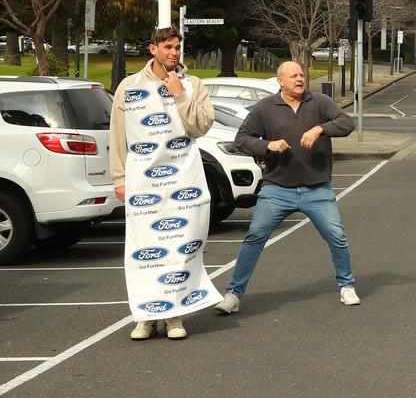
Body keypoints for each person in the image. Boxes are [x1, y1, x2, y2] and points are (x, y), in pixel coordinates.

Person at [214, 61, 358, 314]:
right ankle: (233, 294)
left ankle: (347, 286)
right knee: (255, 235)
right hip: (277, 189)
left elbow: (347, 123)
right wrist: (267, 146)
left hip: (317, 189)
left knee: (337, 237)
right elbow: (242, 139)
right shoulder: (265, 108)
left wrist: (320, 129)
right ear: (280, 81)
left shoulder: (320, 102)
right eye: (294, 76)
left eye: (302, 75)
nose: (300, 79)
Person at [111, 26, 217, 341]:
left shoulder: (192, 84)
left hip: (184, 182)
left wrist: (180, 95)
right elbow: (118, 136)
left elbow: (201, 126)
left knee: (180, 250)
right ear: (153, 49)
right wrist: (119, 178)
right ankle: (145, 317)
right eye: (168, 47)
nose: (174, 52)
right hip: (143, 186)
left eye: (177, 47)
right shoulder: (129, 87)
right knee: (144, 250)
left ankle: (174, 316)